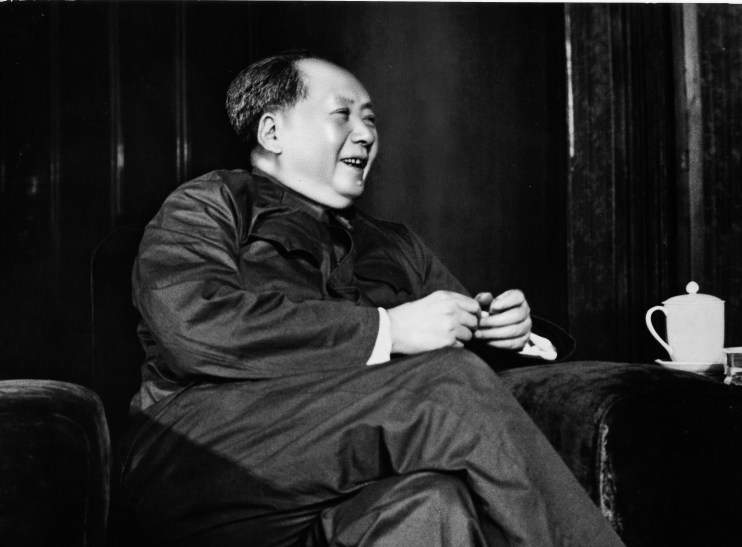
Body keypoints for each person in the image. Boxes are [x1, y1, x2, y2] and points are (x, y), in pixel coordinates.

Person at [119, 51, 623, 546]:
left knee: (430, 505)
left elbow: (462, 377)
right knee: (448, 386)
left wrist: (509, 335)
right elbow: (192, 325)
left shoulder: (397, 243)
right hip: (203, 460)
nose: (365, 134)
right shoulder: (209, 203)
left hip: (342, 478)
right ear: (272, 132)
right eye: (342, 115)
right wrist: (388, 330)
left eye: (370, 121)